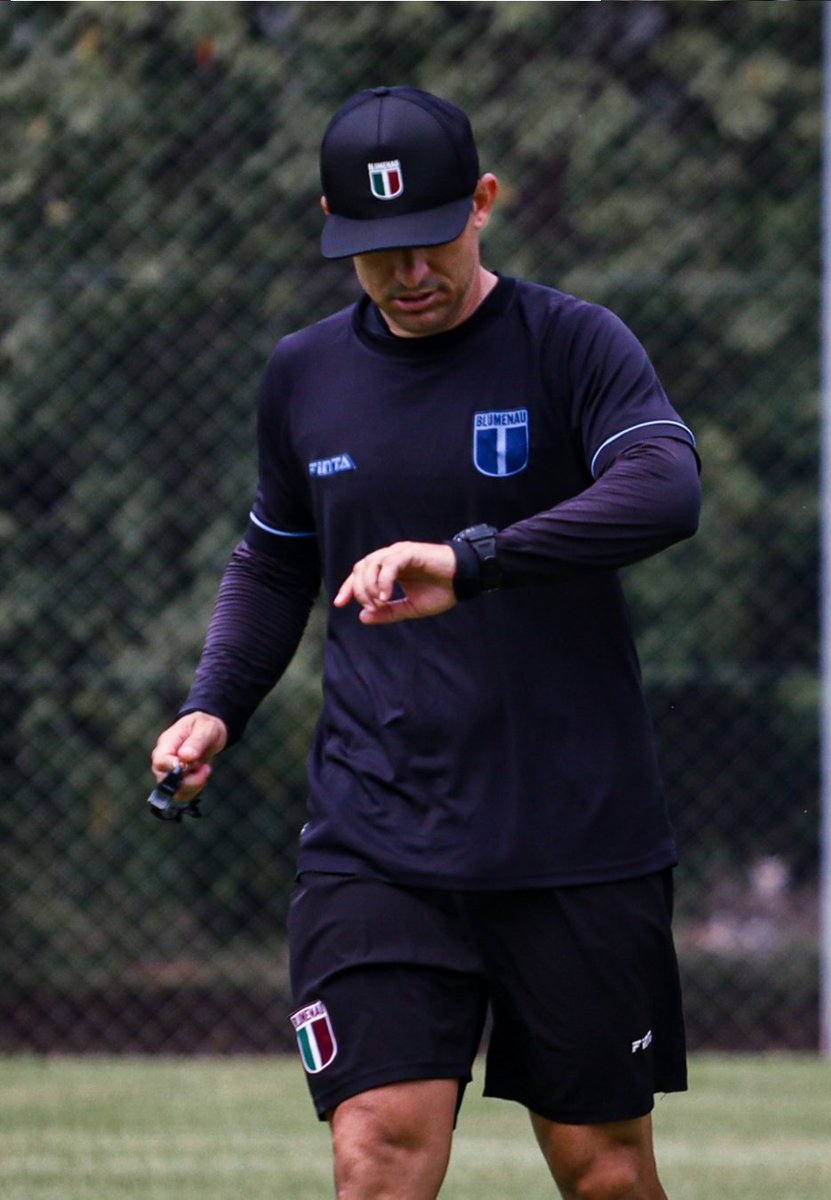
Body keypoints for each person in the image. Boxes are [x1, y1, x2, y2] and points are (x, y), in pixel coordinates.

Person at [151, 85, 701, 1200]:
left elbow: (666, 487)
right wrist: (216, 702)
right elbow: (273, 557)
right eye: (375, 250)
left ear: (484, 203)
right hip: (377, 831)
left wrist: (472, 557)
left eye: (430, 241)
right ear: (334, 227)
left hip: (574, 832)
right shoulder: (304, 374)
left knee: (604, 1170)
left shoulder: (572, 344)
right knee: (378, 1156)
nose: (408, 274)